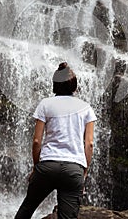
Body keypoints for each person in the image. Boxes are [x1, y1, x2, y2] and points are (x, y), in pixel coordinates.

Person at [15, 62, 97, 219]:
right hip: (73, 169)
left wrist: (36, 167)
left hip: (47, 166)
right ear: (75, 86)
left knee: (27, 208)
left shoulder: (45, 104)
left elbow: (37, 141)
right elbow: (89, 144)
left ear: (55, 85)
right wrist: (84, 171)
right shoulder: (86, 108)